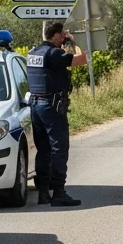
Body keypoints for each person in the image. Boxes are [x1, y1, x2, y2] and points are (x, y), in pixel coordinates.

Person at [27, 22, 88, 206]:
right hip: (51, 106)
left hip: (35, 105)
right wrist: (75, 42)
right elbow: (82, 59)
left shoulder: (34, 53)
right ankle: (59, 192)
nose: (63, 38)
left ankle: (43, 193)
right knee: (59, 148)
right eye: (62, 35)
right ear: (54, 35)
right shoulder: (53, 53)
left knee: (43, 149)